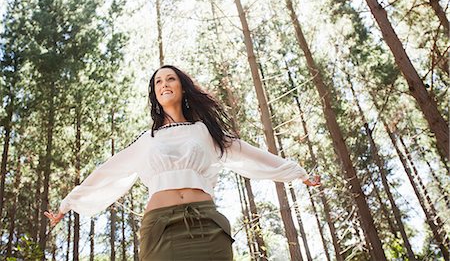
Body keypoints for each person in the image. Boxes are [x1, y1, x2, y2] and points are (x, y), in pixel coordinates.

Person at [45, 65, 321, 260]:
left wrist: (296, 173)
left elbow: (249, 153)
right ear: (155, 94)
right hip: (160, 227)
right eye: (158, 82)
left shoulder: (205, 131)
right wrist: (68, 203)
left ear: (182, 87)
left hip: (207, 224)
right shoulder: (147, 139)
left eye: (170, 79)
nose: (164, 84)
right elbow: (107, 172)